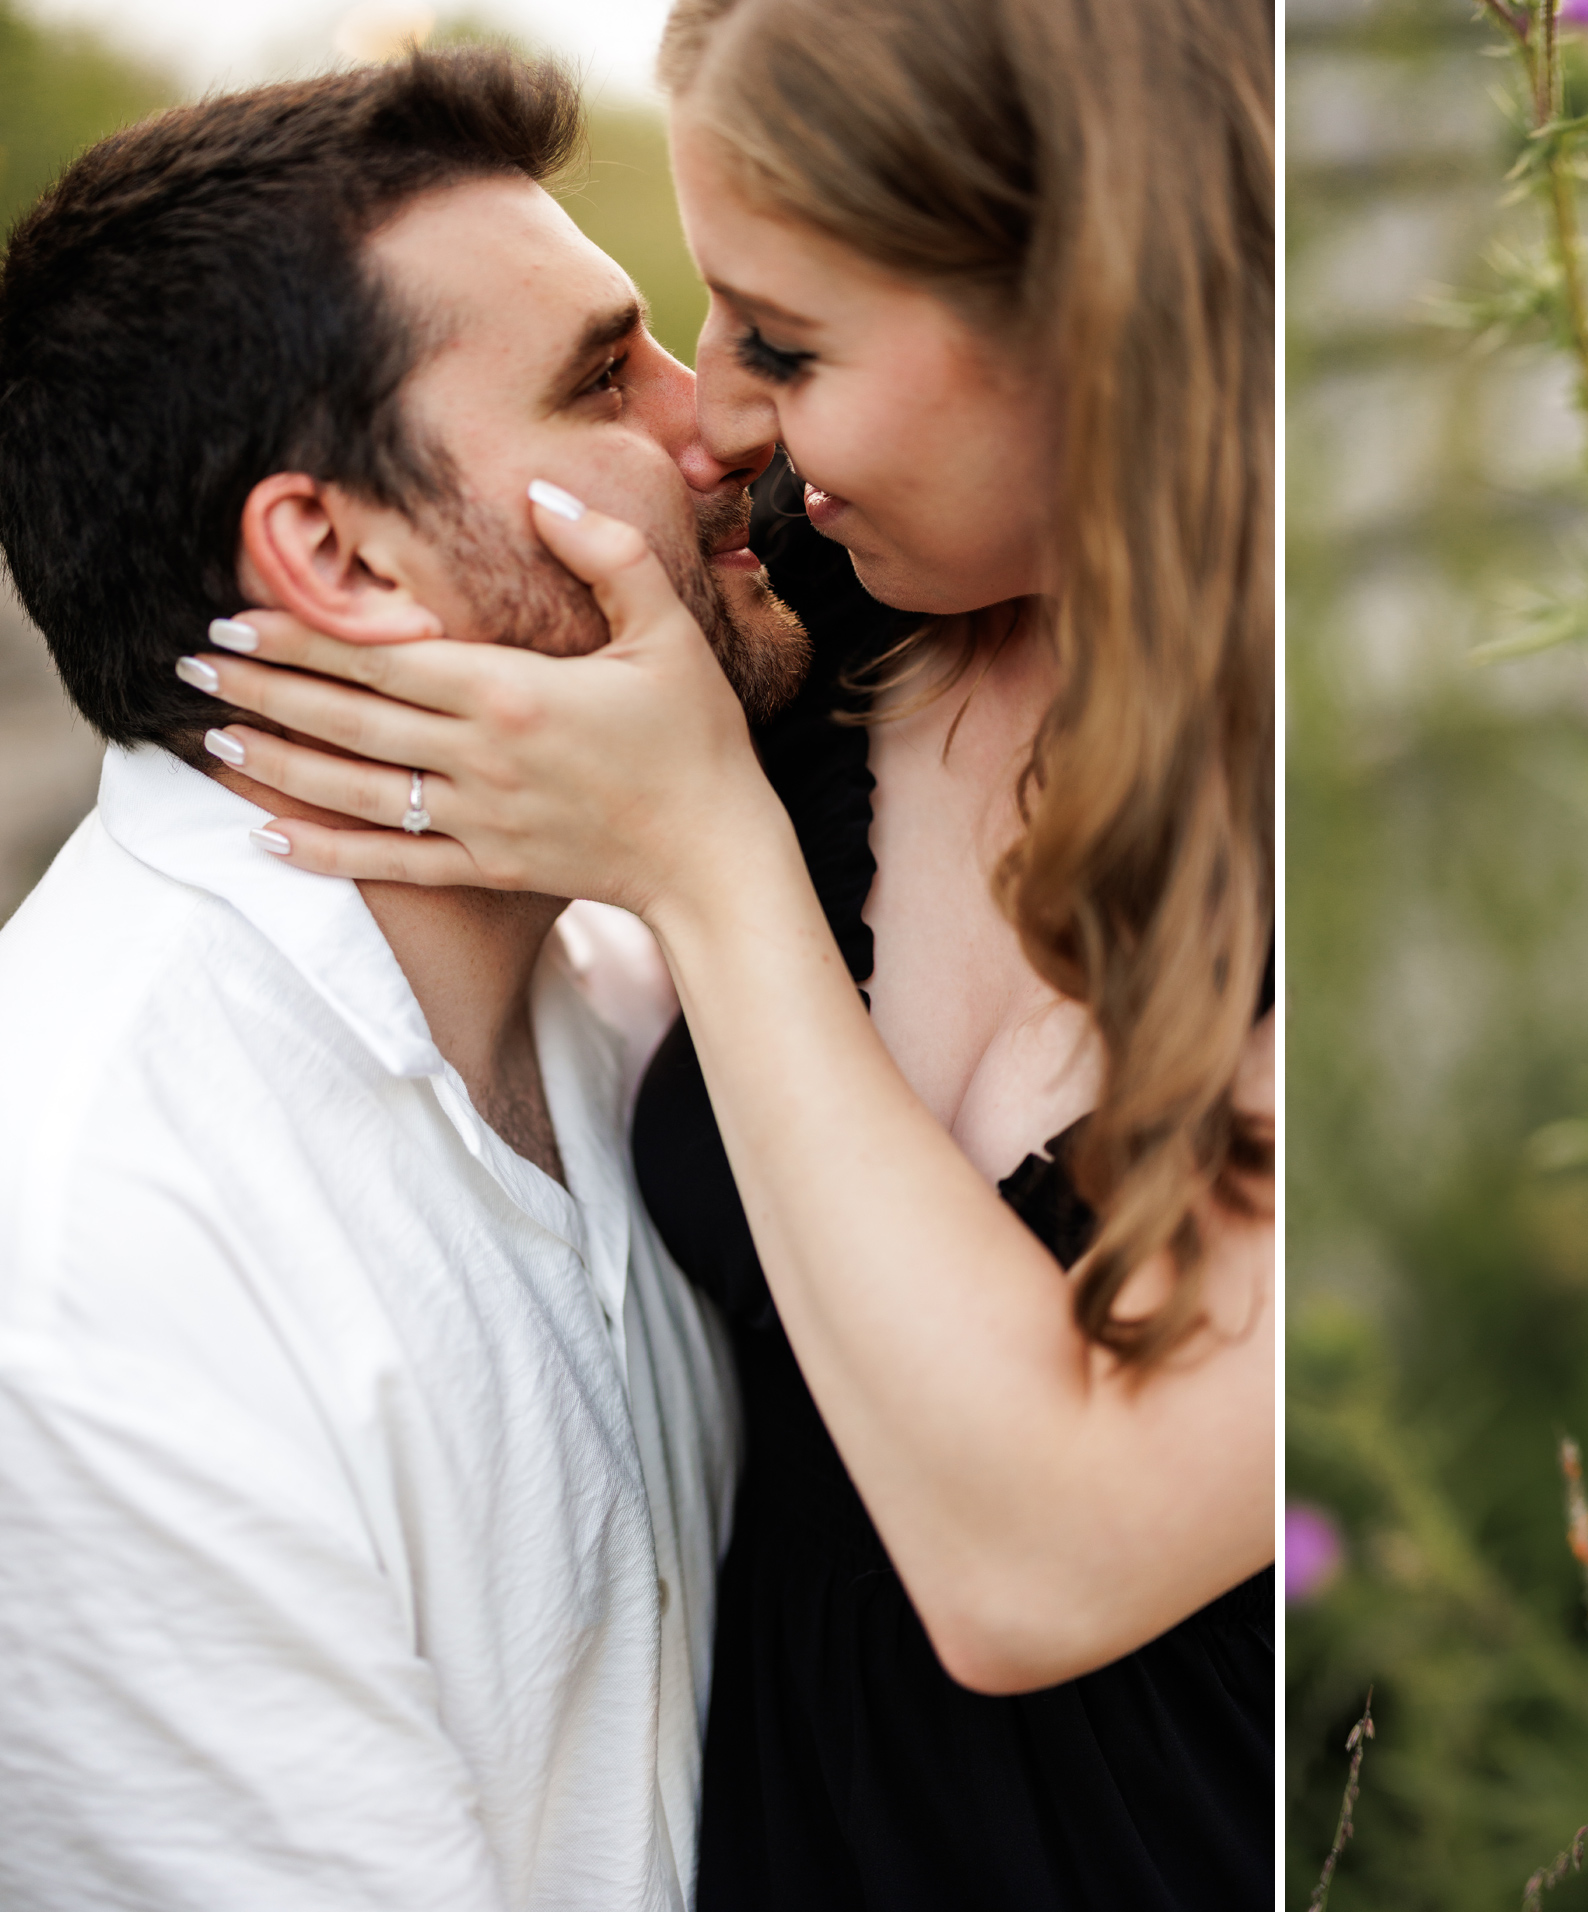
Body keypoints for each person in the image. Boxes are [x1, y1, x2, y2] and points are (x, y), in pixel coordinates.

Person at [189, 0, 1278, 1902]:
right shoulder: (824, 625)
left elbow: (1041, 1567)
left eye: (783, 338)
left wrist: (709, 857)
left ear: (1090, 318)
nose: (726, 416)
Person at [0, 51, 810, 1909]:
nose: (723, 422)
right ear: (340, 554)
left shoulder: (630, 976)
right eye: (607, 376)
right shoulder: (97, 1262)